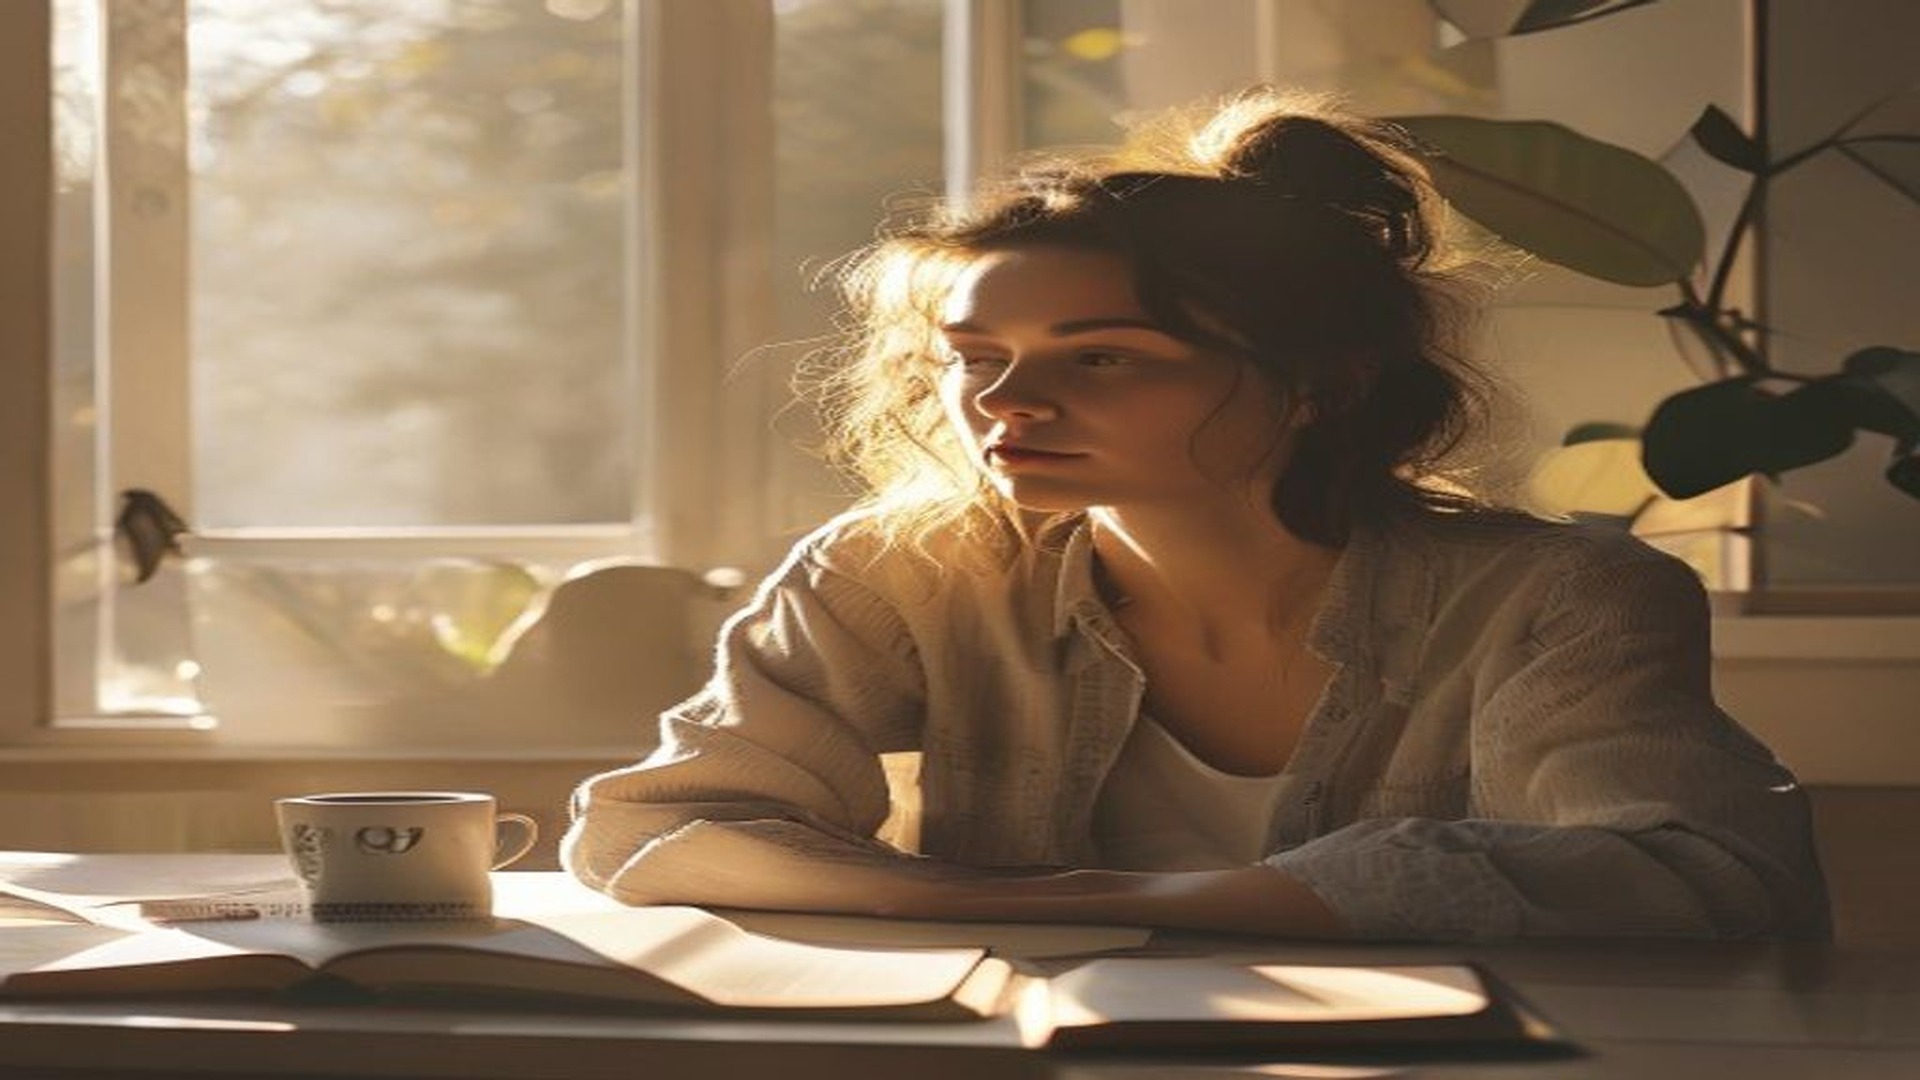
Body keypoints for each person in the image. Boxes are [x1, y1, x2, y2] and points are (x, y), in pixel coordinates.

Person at [562, 88, 1830, 941]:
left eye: (1101, 356)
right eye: (973, 355)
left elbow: (1707, 878)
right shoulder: (906, 567)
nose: (1006, 401)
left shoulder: (1557, 600)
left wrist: (1125, 899)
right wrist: (1034, 908)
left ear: (1322, 381)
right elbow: (659, 827)